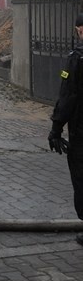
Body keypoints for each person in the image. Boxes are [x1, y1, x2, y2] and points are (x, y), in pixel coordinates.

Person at [48, 12, 83, 244]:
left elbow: (69, 95)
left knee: (81, 176)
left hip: (81, 130)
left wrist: (56, 127)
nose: (79, 33)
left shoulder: (77, 58)